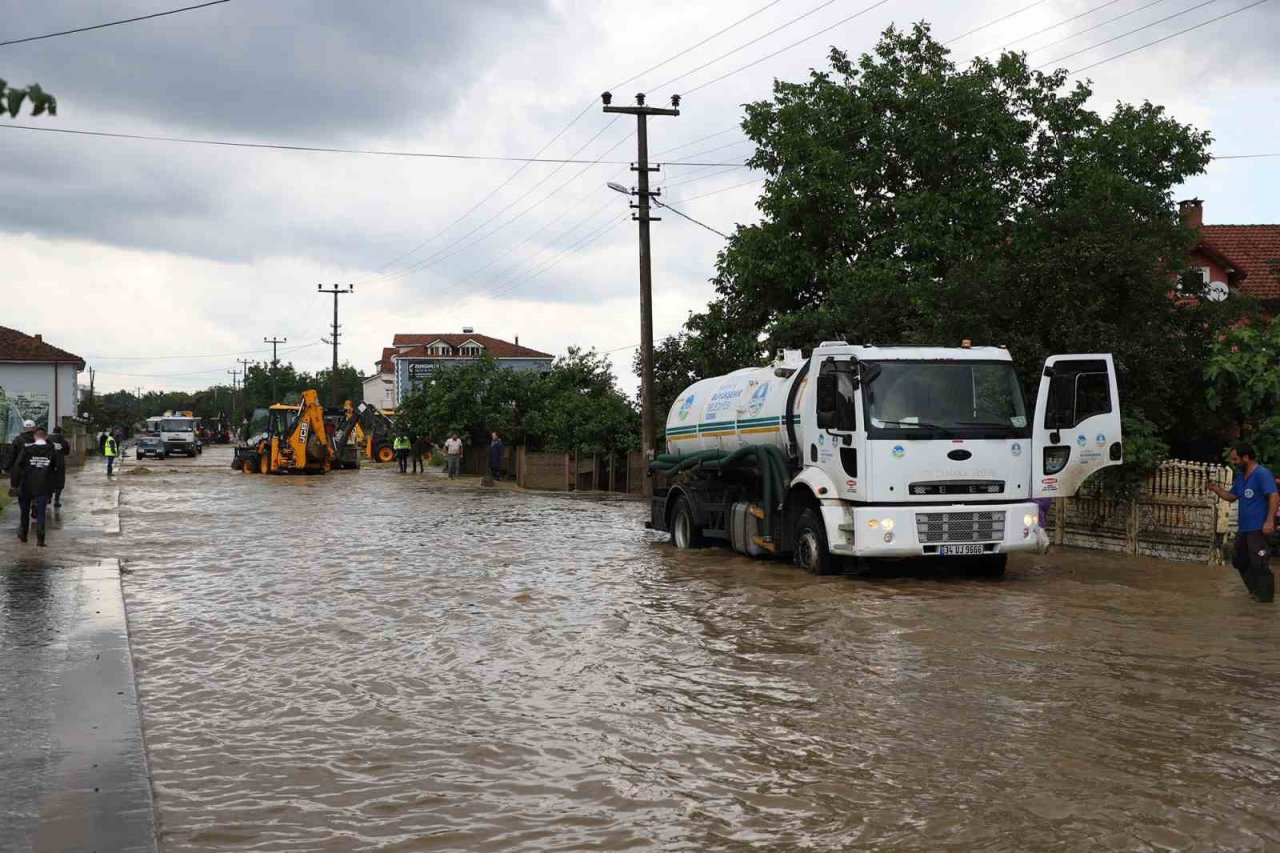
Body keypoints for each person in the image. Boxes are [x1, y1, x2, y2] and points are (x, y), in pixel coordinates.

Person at [1208, 442, 1278, 603]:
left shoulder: (1262, 474)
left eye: (1235, 459)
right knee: (1238, 559)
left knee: (1259, 562)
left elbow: (1274, 496)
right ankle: (1255, 591)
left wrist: (1269, 521)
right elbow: (1232, 496)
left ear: (1246, 457)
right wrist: (1215, 489)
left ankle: (1266, 601)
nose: (1233, 463)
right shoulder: (1241, 476)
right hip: (1244, 528)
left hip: (1259, 527)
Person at [10, 426, 62, 546]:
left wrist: (14, 484)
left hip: (26, 485)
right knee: (41, 512)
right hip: (43, 486)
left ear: (34, 437)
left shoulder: (27, 450)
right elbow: (57, 468)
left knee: (24, 511)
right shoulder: (52, 450)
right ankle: (41, 539)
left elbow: (17, 466)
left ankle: (23, 536)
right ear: (45, 436)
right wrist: (55, 486)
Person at [48, 426, 71, 507]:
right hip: (59, 463)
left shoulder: (48, 439)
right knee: (60, 481)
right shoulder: (64, 441)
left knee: (48, 480)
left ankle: (49, 498)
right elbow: (67, 452)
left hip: (49, 463)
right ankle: (57, 501)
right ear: (61, 432)